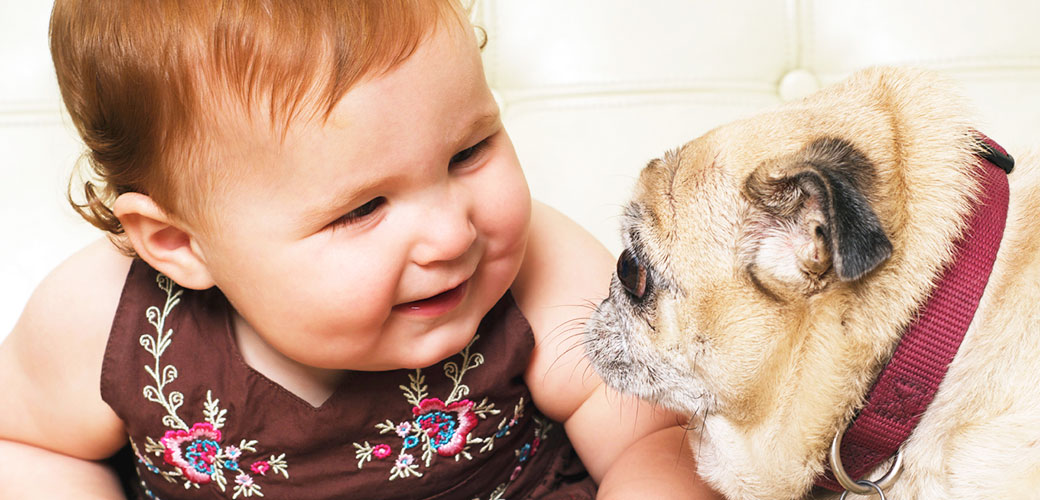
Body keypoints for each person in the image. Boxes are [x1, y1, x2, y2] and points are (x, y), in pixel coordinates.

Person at [0, 1, 721, 499]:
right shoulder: (102, 325)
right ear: (178, 243)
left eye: (469, 151)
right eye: (363, 208)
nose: (452, 233)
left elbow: (650, 437)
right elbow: (29, 446)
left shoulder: (537, 265)